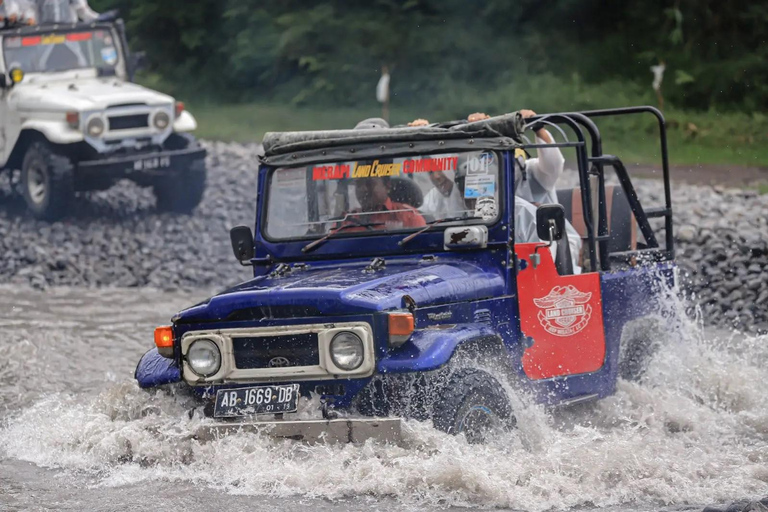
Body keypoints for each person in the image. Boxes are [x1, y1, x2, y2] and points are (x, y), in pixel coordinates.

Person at [468, 110, 582, 273]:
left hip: (553, 246)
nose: (503, 171)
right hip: (507, 252)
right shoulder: (484, 189)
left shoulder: (534, 172)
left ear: (519, 162)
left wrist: (538, 128)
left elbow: (554, 163)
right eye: (497, 163)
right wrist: (475, 129)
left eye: (509, 163)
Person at [349, 175, 426, 230]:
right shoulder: (347, 220)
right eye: (359, 184)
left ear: (387, 187)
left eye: (370, 184)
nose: (363, 189)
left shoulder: (408, 217)